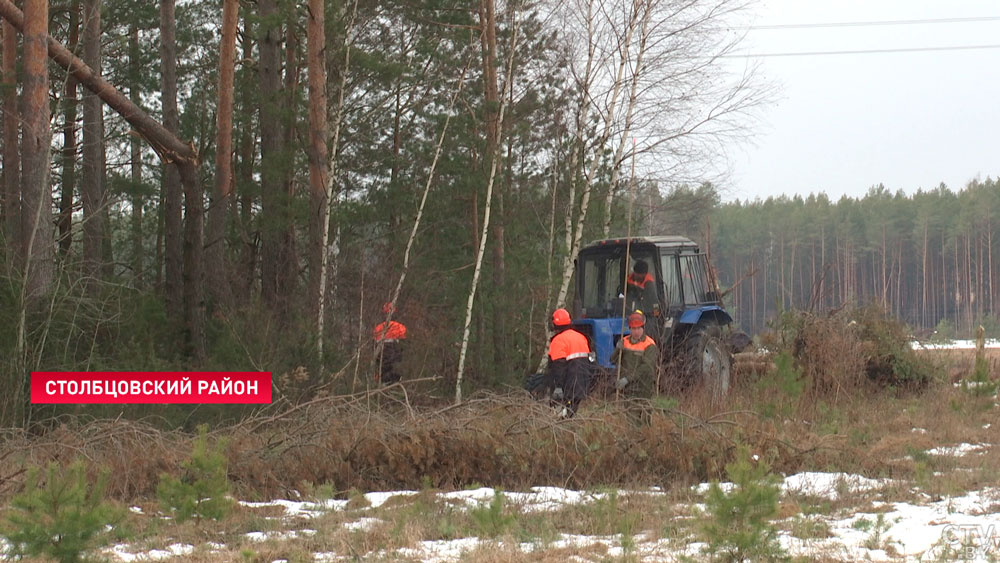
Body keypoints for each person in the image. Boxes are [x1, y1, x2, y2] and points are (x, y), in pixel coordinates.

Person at [547, 307, 594, 417]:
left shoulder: (558, 340)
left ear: (554, 324)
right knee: (573, 411)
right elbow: (591, 361)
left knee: (561, 416)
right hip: (582, 382)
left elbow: (558, 366)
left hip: (567, 384)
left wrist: (558, 387)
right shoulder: (581, 337)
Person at [613, 311, 659, 395]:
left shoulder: (649, 344)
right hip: (627, 388)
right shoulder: (624, 341)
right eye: (634, 329)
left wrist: (627, 379)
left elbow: (646, 367)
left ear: (643, 328)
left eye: (639, 328)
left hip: (643, 387)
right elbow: (613, 361)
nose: (636, 332)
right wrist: (617, 350)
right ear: (630, 329)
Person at [373, 301, 407, 384]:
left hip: (381, 358)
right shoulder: (400, 327)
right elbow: (404, 345)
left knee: (382, 376)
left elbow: (373, 345)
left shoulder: (377, 328)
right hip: (394, 360)